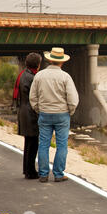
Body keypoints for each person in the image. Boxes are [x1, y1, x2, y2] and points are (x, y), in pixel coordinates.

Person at [29, 47, 79, 183]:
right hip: (62, 114)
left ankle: (43, 174)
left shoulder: (39, 76)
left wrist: (38, 109)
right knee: (62, 145)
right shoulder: (65, 77)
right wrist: (70, 111)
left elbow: (32, 97)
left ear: (50, 60)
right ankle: (58, 174)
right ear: (62, 62)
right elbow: (73, 99)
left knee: (43, 144)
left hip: (45, 113)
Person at [14, 53, 42, 179]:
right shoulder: (32, 78)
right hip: (30, 112)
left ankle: (27, 169)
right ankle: (30, 171)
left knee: (29, 142)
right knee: (33, 142)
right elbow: (35, 96)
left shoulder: (24, 74)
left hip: (23, 110)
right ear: (37, 64)